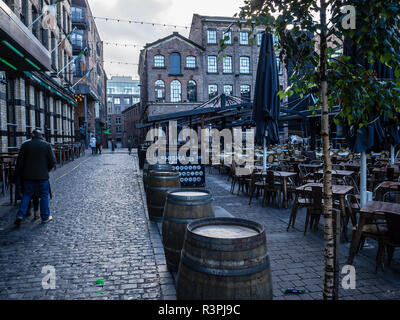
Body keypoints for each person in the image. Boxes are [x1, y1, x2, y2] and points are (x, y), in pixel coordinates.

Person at [14, 129, 56, 226]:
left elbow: (19, 162)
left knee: (27, 195)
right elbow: (53, 161)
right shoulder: (46, 145)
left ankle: (20, 215)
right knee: (44, 195)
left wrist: (17, 175)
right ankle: (45, 217)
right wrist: (46, 170)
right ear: (41, 136)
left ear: (32, 135)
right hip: (42, 176)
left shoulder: (25, 145)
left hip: (28, 176)